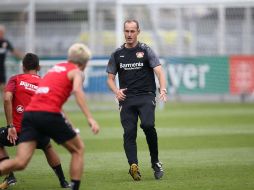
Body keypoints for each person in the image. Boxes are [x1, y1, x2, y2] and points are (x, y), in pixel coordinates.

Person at [0, 43, 100, 190]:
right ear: (84, 63)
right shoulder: (76, 71)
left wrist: (69, 124)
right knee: (78, 149)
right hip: (48, 114)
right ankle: (72, 186)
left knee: (21, 162)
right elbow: (78, 91)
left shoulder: (56, 68)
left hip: (30, 115)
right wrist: (90, 118)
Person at [106, 19, 167, 181]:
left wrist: (163, 88)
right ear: (123, 32)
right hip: (126, 99)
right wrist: (116, 91)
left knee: (148, 125)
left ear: (138, 32)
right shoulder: (117, 54)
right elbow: (110, 79)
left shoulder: (146, 50)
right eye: (127, 31)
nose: (129, 34)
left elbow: (159, 71)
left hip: (146, 96)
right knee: (129, 132)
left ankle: (155, 162)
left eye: (132, 31)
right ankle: (133, 165)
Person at [0, 53, 70, 189]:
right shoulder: (45, 83)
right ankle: (63, 181)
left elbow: (7, 99)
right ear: (38, 67)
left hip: (16, 131)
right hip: (37, 131)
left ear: (23, 66)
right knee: (48, 147)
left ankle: (10, 176)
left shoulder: (15, 79)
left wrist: (10, 126)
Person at [0, 24, 23, 97]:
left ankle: (5, 102)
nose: (1, 34)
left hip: (1, 67)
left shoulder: (5, 42)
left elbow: (13, 51)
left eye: (2, 32)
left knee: (3, 85)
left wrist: (24, 57)